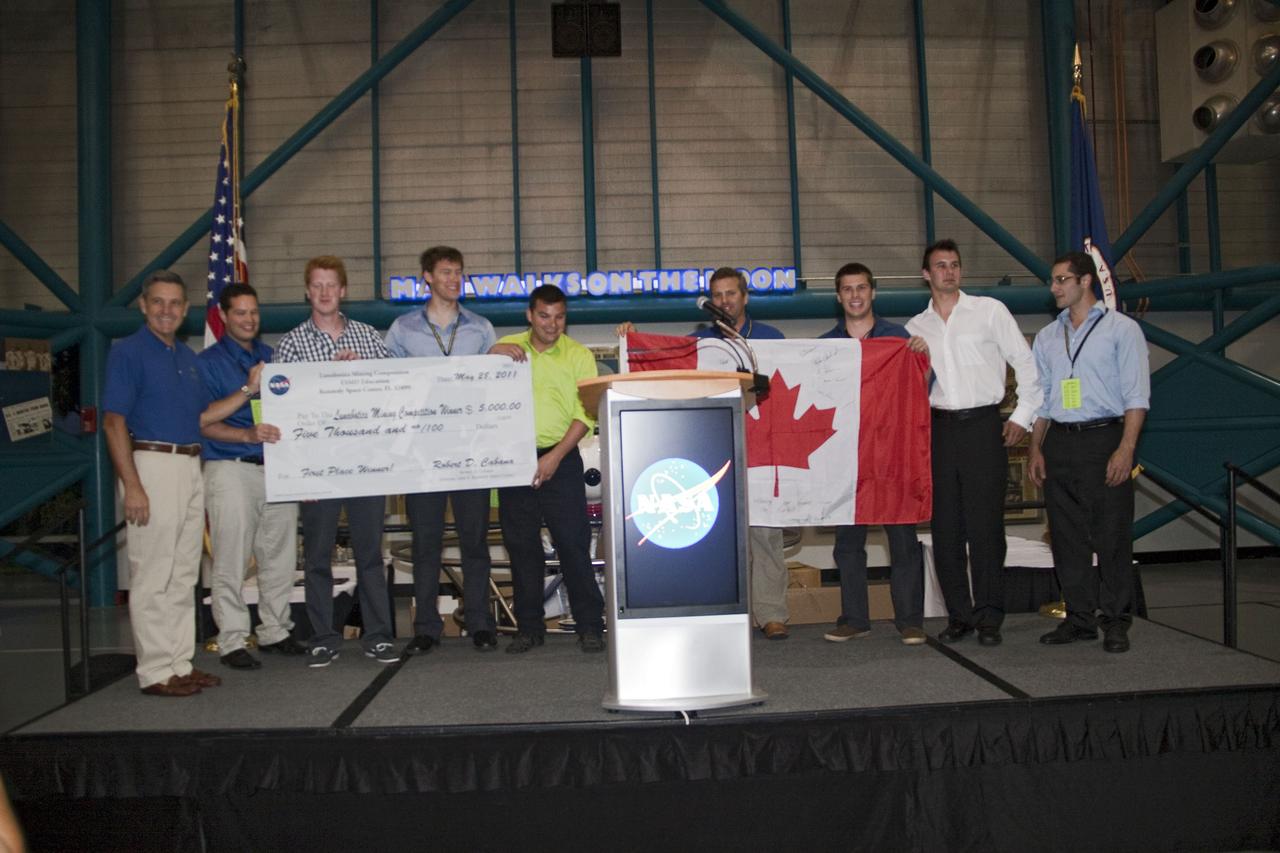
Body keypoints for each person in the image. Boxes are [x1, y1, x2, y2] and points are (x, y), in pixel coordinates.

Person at [616, 267, 792, 640]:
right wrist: (632, 340)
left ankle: (772, 613)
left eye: (731, 293)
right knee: (718, 535)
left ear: (745, 297)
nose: (725, 301)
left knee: (765, 534)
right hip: (714, 452)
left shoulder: (771, 339)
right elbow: (664, 369)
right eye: (718, 295)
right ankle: (726, 613)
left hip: (763, 449)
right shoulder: (697, 344)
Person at [906, 239, 1042, 646]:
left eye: (954, 264)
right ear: (926, 275)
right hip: (939, 431)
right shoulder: (915, 328)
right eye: (940, 266)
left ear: (960, 271)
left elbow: (1028, 365)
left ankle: (988, 618)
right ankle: (959, 617)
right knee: (945, 531)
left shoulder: (990, 311)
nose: (949, 271)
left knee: (986, 530)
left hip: (985, 427)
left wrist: (1022, 417)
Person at [274, 256, 399, 667]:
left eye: (332, 285)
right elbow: (283, 412)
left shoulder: (368, 338)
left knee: (369, 555)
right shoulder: (291, 345)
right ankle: (324, 637)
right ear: (308, 291)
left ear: (343, 291)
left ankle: (378, 635)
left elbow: (393, 395)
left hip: (365, 462)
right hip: (317, 468)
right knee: (317, 557)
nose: (325, 292)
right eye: (317, 285)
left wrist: (360, 374)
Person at [103, 270, 221, 696]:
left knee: (184, 572)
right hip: (151, 463)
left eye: (174, 303)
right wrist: (132, 485)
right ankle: (154, 671)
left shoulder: (187, 358)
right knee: (153, 572)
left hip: (191, 464)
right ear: (144, 305)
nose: (166, 310)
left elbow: (202, 418)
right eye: (158, 302)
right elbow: (113, 421)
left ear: (185, 310)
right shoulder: (128, 353)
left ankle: (179, 663)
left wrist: (250, 388)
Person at [1029, 252, 1149, 653]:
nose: (1054, 288)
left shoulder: (1121, 330)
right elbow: (1043, 399)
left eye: (1062, 279)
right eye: (1053, 280)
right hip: (1060, 440)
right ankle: (1079, 618)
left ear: (1086, 282)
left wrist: (1125, 449)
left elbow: (1136, 396)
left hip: (1105, 439)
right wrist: (1035, 449)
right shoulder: (1048, 337)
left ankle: (1116, 620)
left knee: (1111, 535)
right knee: (1066, 538)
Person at [385, 246, 500, 653]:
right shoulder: (401, 331)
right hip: (421, 455)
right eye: (446, 272)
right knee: (425, 543)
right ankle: (426, 628)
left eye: (459, 272)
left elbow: (494, 389)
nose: (454, 279)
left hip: (470, 452)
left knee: (474, 541)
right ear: (427, 278)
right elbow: (390, 391)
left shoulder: (481, 329)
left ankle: (480, 623)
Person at [490, 284, 605, 654]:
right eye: (543, 316)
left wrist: (554, 456)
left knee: (572, 544)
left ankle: (590, 625)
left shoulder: (580, 356)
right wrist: (490, 353)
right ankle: (529, 627)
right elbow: (475, 387)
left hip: (563, 457)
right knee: (522, 548)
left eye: (559, 317)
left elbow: (585, 414)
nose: (552, 324)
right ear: (529, 315)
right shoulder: (507, 347)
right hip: (513, 459)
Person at [819, 263, 930, 645]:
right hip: (847, 458)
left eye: (861, 287)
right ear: (838, 296)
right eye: (847, 289)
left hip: (892, 453)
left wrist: (921, 357)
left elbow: (923, 389)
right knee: (847, 544)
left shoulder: (900, 339)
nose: (854, 295)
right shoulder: (825, 346)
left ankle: (910, 619)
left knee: (902, 537)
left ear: (873, 292)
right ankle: (855, 618)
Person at [197, 283, 305, 670]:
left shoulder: (271, 357)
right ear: (223, 316)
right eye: (240, 312)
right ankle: (232, 640)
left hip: (276, 470)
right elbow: (201, 421)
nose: (248, 319)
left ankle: (276, 630)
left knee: (279, 558)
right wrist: (248, 391)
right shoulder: (206, 362)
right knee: (231, 558)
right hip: (231, 468)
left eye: (254, 312)